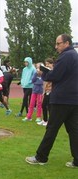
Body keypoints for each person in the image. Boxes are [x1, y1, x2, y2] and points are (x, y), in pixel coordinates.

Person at [25, 34, 78, 168]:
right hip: (74, 99)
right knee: (74, 130)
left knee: (52, 129)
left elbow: (55, 75)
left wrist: (43, 73)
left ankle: (41, 157)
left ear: (66, 43)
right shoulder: (75, 55)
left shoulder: (65, 56)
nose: (56, 46)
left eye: (58, 43)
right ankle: (77, 160)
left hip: (61, 99)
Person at [37, 58, 54, 126]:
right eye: (46, 64)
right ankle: (45, 120)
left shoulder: (53, 71)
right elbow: (44, 80)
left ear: (52, 64)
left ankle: (49, 121)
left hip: (51, 90)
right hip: (46, 90)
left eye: (48, 64)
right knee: (43, 105)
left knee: (49, 106)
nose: (47, 65)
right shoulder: (47, 72)